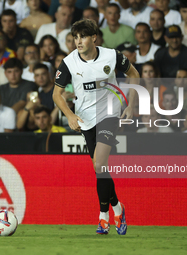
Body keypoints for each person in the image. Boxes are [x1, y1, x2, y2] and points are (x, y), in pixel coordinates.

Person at [53, 19, 140, 235]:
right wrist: (70, 115)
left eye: (83, 36)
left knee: (100, 163)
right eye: (75, 37)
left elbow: (134, 75)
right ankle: (118, 208)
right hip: (85, 119)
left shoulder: (112, 55)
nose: (78, 41)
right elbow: (56, 94)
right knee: (100, 169)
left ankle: (103, 217)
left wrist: (131, 105)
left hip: (110, 113)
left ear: (94, 38)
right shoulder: (69, 62)